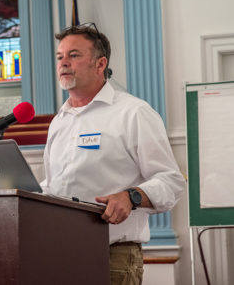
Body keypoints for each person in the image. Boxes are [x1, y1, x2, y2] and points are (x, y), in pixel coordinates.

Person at [40, 22, 186, 285]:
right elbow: (53, 187)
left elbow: (171, 182)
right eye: (60, 56)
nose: (63, 63)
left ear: (100, 64)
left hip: (112, 256)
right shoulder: (59, 121)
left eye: (74, 55)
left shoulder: (133, 113)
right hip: (57, 253)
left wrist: (131, 197)